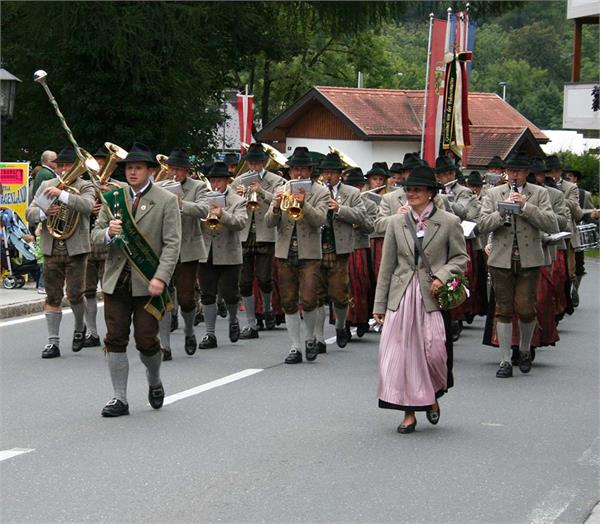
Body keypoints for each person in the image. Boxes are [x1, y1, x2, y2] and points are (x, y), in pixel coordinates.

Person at [373, 166, 468, 434]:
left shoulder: (449, 221)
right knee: (403, 356)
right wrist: (379, 306)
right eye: (408, 190)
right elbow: (387, 266)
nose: (411, 194)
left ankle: (433, 395)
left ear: (430, 193)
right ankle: (409, 412)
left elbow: (461, 258)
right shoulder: (395, 222)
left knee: (434, 351)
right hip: (401, 297)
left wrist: (441, 275)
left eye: (416, 190)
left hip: (432, 297)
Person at [92, 142, 182, 417]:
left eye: (138, 167)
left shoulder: (165, 200)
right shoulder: (113, 198)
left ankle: (154, 380)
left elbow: (172, 244)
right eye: (129, 167)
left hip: (147, 281)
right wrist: (108, 231)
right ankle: (119, 398)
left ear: (150, 171)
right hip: (116, 281)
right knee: (115, 338)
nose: (132, 172)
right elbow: (94, 238)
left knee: (146, 341)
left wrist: (161, 278)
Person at [479, 152, 557, 378]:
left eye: (519, 171)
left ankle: (523, 349)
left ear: (526, 173)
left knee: (525, 308)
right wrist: (500, 211)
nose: (514, 175)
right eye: (511, 171)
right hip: (501, 259)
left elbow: (551, 223)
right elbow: (482, 224)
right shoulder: (493, 193)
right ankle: (504, 360)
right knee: (503, 310)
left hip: (529, 259)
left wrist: (525, 207)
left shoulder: (540, 193)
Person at [26, 145, 96, 358]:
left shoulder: (86, 185)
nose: (64, 169)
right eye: (61, 165)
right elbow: (30, 212)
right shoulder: (47, 184)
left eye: (68, 165)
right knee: (52, 295)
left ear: (77, 167)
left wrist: (63, 195)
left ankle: (78, 328)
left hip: (76, 248)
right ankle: (53, 342)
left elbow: (88, 206)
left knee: (75, 294)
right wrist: (44, 213)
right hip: (51, 246)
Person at [264, 146, 329, 364]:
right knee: (289, 301)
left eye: (302, 169)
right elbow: (269, 222)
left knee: (310, 299)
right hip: (285, 252)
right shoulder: (281, 189)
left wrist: (304, 204)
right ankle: (295, 346)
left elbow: (320, 220)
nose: (298, 174)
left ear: (310, 171)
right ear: (289, 172)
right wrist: (274, 206)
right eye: (294, 170)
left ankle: (310, 338)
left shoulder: (321, 192)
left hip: (310, 253)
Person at [156, 148, 210, 360]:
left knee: (186, 299)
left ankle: (189, 330)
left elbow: (205, 210)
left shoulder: (198, 187)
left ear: (186, 171)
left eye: (179, 169)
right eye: (172, 169)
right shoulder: (159, 186)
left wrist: (181, 204)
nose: (174, 173)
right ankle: (165, 346)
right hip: (163, 249)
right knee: (163, 297)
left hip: (188, 249)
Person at [312, 152, 367, 350]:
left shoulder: (351, 192)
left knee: (339, 294)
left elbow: (362, 217)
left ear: (339, 174)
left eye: (332, 172)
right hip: (316, 248)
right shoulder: (314, 190)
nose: (328, 176)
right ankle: (318, 339)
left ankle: (341, 326)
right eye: (325, 172)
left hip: (340, 249)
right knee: (316, 294)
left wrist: (339, 209)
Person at [232, 143, 286, 339]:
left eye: (257, 163)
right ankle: (251, 324)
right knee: (244, 282)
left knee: (264, 278)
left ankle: (269, 308)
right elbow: (229, 206)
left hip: (266, 233)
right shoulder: (238, 180)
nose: (253, 167)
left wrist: (261, 191)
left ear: (264, 163)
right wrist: (236, 198)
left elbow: (280, 201)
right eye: (250, 163)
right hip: (245, 234)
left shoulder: (277, 180)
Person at [196, 162, 248, 348]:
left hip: (229, 253)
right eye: (213, 180)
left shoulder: (237, 200)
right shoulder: (203, 199)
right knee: (207, 294)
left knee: (230, 293)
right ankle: (210, 334)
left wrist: (222, 215)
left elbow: (241, 223)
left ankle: (233, 319)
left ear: (227, 181)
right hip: (206, 252)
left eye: (219, 180)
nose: (215, 184)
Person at [82, 144, 119, 348]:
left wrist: (110, 196)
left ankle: (112, 331)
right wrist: (89, 208)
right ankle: (92, 332)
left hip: (108, 246)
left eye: (103, 163)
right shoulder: (86, 186)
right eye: (96, 164)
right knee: (88, 290)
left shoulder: (118, 185)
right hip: (88, 242)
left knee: (109, 290)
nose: (100, 167)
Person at [344, 167, 376, 338]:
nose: (356, 189)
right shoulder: (341, 201)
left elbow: (371, 227)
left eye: (359, 186)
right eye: (352, 186)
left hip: (360, 247)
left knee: (362, 285)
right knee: (344, 286)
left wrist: (358, 216)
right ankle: (345, 323)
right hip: (342, 247)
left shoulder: (370, 204)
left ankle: (362, 319)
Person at [562, 166, 599, 305]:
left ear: (575, 179)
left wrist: (593, 215)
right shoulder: (557, 190)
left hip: (577, 234)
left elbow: (589, 216)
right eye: (565, 176)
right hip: (561, 233)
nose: (567, 179)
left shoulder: (585, 194)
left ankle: (574, 290)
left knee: (578, 265)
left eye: (569, 176)